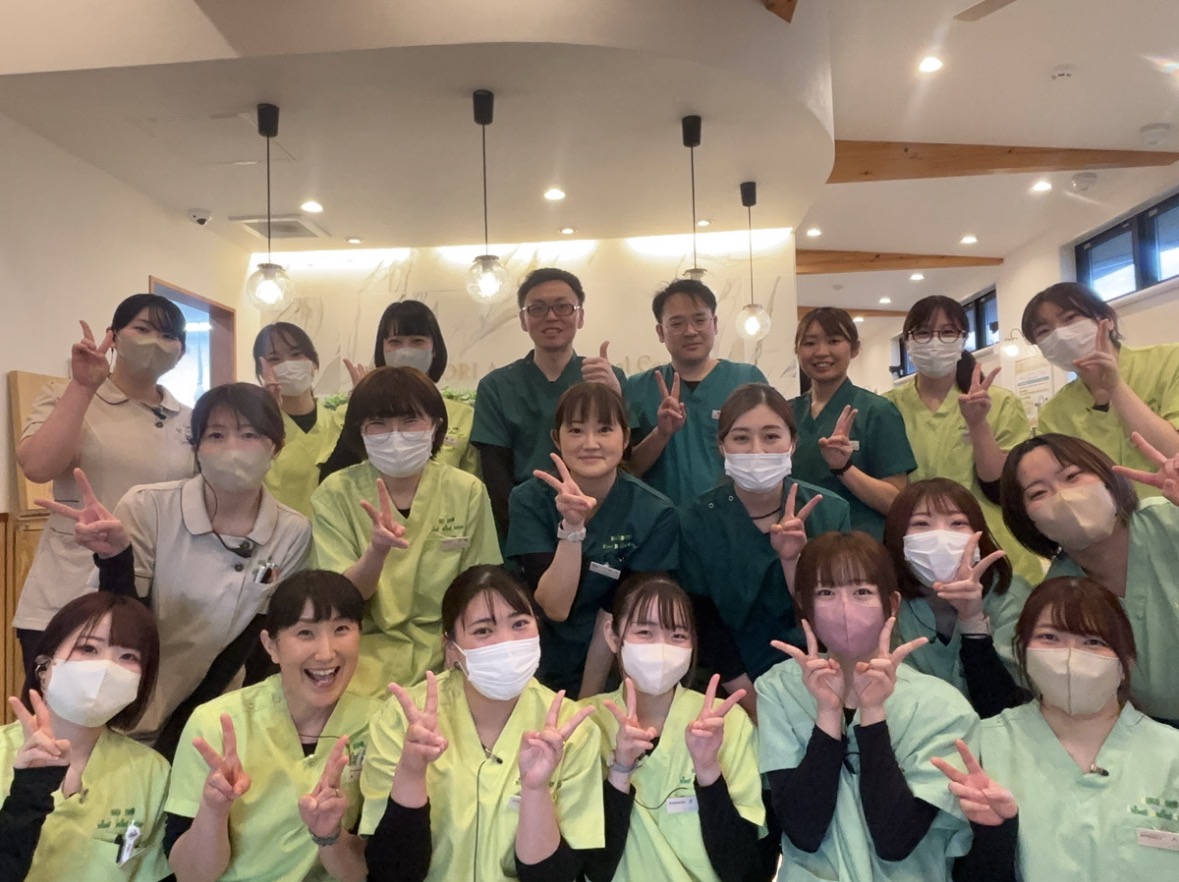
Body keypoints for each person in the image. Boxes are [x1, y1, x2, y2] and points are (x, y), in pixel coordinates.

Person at [40, 383, 311, 748]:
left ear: (276, 446)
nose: (233, 448)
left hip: (209, 709)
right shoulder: (148, 506)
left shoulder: (292, 531)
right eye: (216, 435)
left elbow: (252, 644)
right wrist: (116, 557)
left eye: (250, 435)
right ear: (196, 447)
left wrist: (183, 729)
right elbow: (120, 622)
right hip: (120, 695)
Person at [757, 531, 983, 881]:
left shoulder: (944, 707)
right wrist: (828, 713)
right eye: (826, 593)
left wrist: (874, 714)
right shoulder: (777, 688)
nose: (844, 607)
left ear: (892, 603)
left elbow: (895, 840)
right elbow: (803, 831)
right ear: (804, 605)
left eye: (861, 592)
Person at [360, 565, 604, 882]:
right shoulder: (402, 719)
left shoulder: (572, 729)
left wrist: (535, 791)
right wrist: (411, 771)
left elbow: (554, 877)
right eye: (483, 631)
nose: (506, 643)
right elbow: (393, 873)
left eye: (519, 624)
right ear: (451, 648)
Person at [935, 576, 1179, 881]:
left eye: (1093, 642)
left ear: (1126, 661)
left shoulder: (1171, 754)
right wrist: (993, 834)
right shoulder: (983, 745)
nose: (1070, 656)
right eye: (1050, 638)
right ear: (1022, 651)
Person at [13, 294, 194, 678]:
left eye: (168, 336)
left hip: (151, 598)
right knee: (54, 707)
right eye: (142, 329)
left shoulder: (190, 420)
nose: (155, 343)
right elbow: (37, 466)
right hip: (70, 592)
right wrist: (83, 386)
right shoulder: (65, 394)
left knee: (135, 710)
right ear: (114, 337)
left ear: (181, 352)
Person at [164, 570, 377, 882]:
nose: (326, 652)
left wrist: (329, 835)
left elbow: (365, 873)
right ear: (271, 645)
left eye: (341, 629)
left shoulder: (379, 724)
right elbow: (190, 875)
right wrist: (214, 810)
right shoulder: (216, 723)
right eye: (305, 633)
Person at [311, 366, 501, 698]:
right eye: (379, 424)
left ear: (435, 426)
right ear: (360, 431)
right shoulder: (335, 493)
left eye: (410, 421)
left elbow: (480, 586)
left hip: (448, 650)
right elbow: (340, 599)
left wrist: (463, 651)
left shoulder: (466, 490)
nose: (395, 435)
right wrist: (376, 552)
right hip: (363, 654)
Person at [678, 383, 851, 717]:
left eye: (771, 436)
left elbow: (836, 617)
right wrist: (753, 706)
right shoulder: (695, 520)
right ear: (722, 446)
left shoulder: (829, 511)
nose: (757, 450)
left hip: (821, 680)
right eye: (741, 438)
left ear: (793, 443)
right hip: (729, 689)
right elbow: (705, 623)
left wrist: (794, 561)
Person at [583, 574, 764, 882]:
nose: (662, 648)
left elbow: (741, 868)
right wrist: (620, 771)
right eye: (645, 632)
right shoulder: (585, 723)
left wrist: (708, 770)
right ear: (613, 636)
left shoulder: (728, 722)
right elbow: (592, 869)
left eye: (678, 635)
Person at [506, 383, 678, 698]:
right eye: (575, 430)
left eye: (604, 430)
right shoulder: (529, 500)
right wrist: (572, 529)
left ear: (625, 438)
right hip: (532, 661)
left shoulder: (654, 512)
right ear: (556, 439)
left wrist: (588, 702)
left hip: (614, 664)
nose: (590, 443)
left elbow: (621, 615)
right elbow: (555, 607)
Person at [999, 431, 1179, 725]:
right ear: (1027, 519)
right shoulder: (1059, 597)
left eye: (1071, 476)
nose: (1063, 496)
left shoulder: (1170, 521)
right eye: (1038, 493)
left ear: (1106, 478)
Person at [0, 592, 169, 881]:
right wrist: (30, 789)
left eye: (128, 656)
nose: (107, 667)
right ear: (44, 668)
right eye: (89, 648)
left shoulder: (152, 771)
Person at [885, 295, 1042, 583]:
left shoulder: (1000, 402)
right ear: (908, 341)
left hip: (990, 540)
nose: (935, 341)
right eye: (923, 332)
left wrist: (978, 424)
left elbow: (1001, 484)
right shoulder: (887, 407)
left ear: (963, 339)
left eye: (947, 332)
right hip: (916, 547)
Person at [471, 268, 626, 539]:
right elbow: (496, 476)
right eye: (538, 308)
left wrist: (615, 395)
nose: (551, 316)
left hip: (601, 518)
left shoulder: (606, 378)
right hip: (524, 521)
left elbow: (626, 456)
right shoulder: (496, 386)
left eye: (563, 307)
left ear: (580, 316)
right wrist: (523, 530)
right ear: (523, 319)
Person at [882, 479, 1032, 714]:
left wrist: (972, 621)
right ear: (898, 535)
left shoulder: (1010, 594)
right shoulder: (886, 601)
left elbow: (1008, 705)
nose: (940, 536)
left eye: (957, 523)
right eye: (921, 523)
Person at [1021, 281, 1179, 498]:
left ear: (1107, 319)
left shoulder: (1170, 361)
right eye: (1044, 331)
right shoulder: (1054, 413)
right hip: (1108, 519)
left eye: (1070, 318)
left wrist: (1116, 387)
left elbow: (1175, 452)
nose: (1059, 334)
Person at [624, 278, 767, 504]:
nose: (690, 331)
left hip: (735, 513)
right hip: (660, 516)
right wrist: (661, 434)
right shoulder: (637, 387)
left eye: (700, 320)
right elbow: (627, 469)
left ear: (715, 323)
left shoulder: (747, 379)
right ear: (660, 332)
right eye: (677, 323)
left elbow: (770, 453)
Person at [791, 307, 916, 539]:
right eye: (809, 343)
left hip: (859, 546)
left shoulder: (877, 411)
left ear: (855, 348)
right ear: (797, 350)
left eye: (834, 341)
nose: (821, 352)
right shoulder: (787, 413)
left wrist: (844, 469)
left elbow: (896, 502)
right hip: (797, 544)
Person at [370, 299, 481, 476]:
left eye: (417, 341)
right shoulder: (357, 412)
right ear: (382, 348)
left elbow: (474, 482)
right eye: (395, 342)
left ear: (434, 348)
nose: (405, 351)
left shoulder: (465, 417)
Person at [254, 321, 347, 518]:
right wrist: (265, 411)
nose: (288, 364)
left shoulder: (341, 422)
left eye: (296, 354)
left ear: (314, 363)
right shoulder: (256, 430)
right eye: (274, 358)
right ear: (261, 371)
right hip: (280, 533)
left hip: (336, 534)